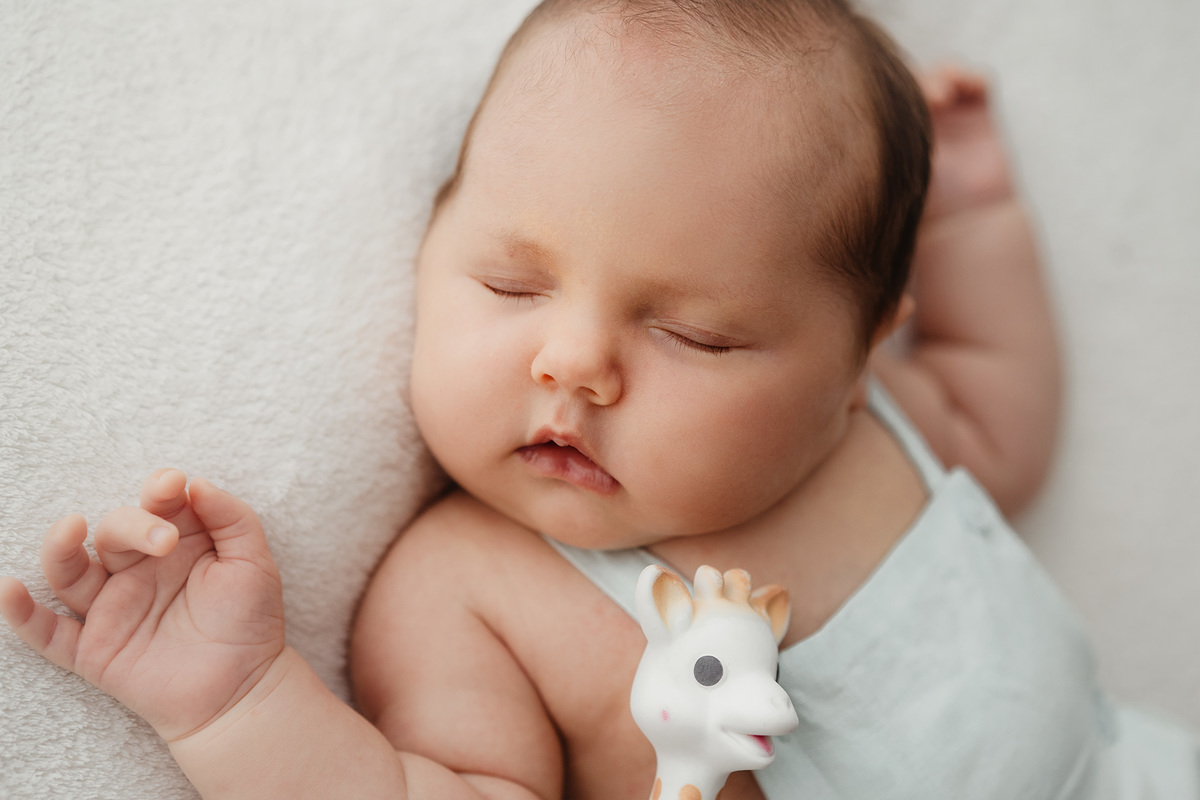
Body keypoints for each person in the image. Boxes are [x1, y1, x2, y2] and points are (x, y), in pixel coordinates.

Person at [1, 0, 1195, 797]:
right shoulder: (465, 588)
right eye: (511, 282)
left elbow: (1001, 396)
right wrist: (236, 703)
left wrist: (975, 215)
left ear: (856, 358)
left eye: (695, 332)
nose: (573, 364)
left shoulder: (870, 425)